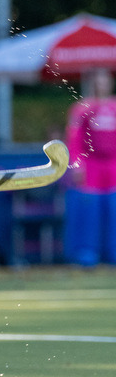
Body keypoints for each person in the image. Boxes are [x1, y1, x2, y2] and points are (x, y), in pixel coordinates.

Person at [64, 67, 116, 265]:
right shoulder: (81, 109)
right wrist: (77, 165)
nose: (101, 84)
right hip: (91, 166)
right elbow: (74, 140)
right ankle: (86, 253)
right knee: (89, 211)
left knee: (113, 208)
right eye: (97, 80)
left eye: (104, 80)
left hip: (113, 165)